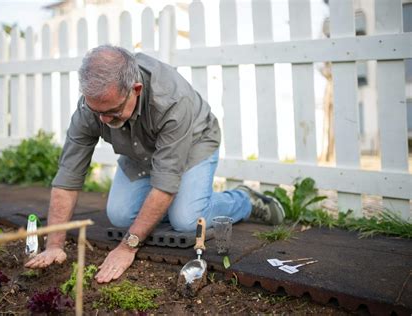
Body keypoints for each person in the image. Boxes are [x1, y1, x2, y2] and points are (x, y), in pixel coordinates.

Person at [25, 45, 285, 283]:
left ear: (135, 90)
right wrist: (54, 244)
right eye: (97, 112)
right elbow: (68, 176)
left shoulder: (172, 100)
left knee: (186, 220)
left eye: (112, 112)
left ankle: (243, 200)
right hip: (140, 149)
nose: (103, 120)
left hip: (193, 142)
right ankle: (171, 208)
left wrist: (128, 246)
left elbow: (165, 184)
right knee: (119, 216)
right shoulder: (91, 108)